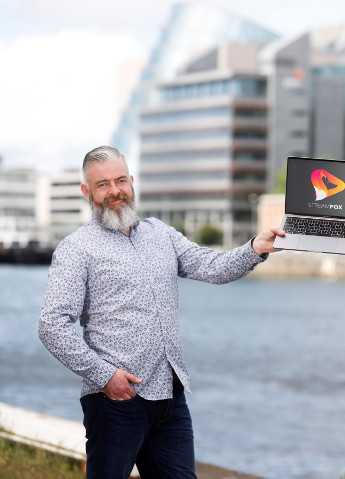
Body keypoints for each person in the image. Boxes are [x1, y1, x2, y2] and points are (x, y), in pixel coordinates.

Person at [38, 146, 285, 479]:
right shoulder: (76, 248)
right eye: (103, 185)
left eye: (121, 181)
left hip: (170, 398)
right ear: (87, 192)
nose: (115, 191)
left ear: (132, 182)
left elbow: (212, 267)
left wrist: (256, 247)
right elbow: (52, 326)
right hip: (115, 402)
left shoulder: (161, 233)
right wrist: (105, 376)